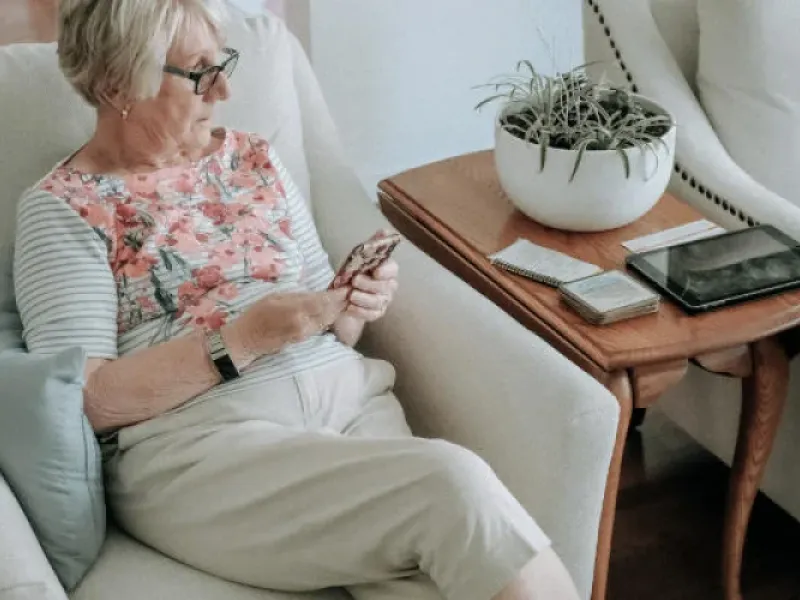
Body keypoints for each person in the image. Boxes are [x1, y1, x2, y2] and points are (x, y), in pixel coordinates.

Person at [13, 1, 581, 599]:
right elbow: (87, 400)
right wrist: (243, 340)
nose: (225, 88)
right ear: (116, 83)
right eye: (200, 71)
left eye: (222, 62)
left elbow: (334, 328)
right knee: (455, 486)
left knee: (428, 583)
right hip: (204, 451)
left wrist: (349, 304)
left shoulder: (253, 158)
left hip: (351, 405)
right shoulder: (63, 209)